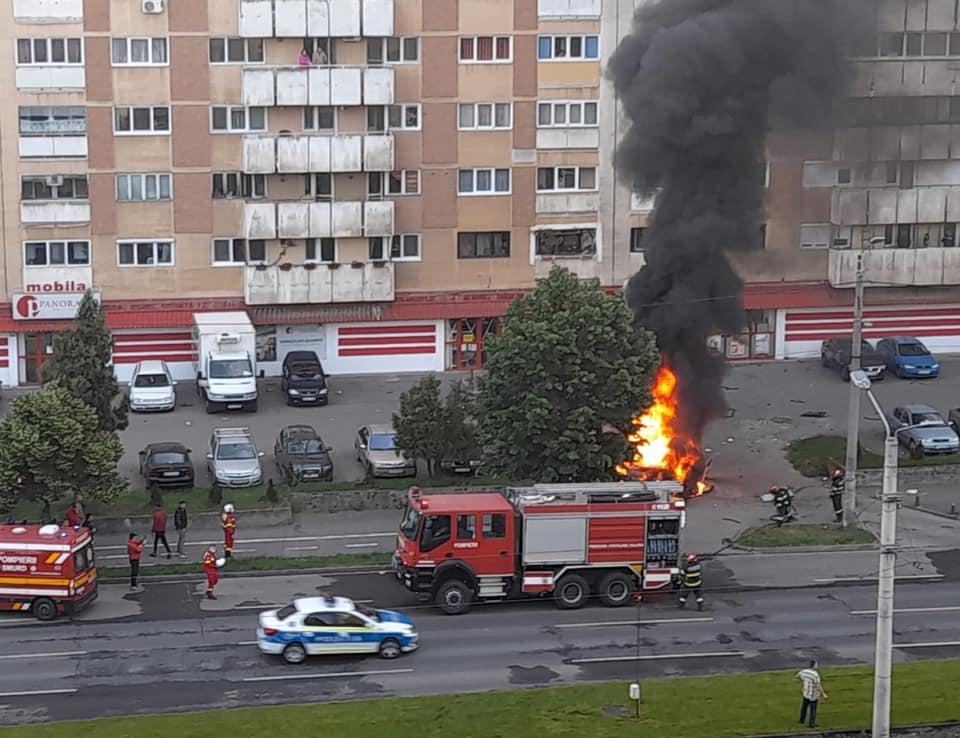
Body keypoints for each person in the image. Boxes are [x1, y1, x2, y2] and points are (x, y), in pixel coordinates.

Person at [796, 660, 828, 728]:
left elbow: (797, 676)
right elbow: (818, 685)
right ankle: (812, 724)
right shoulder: (815, 674)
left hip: (805, 693)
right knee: (813, 710)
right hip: (813, 695)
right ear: (814, 665)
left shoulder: (804, 671)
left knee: (803, 708)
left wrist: (804, 682)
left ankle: (801, 720)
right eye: (816, 664)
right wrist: (823, 694)